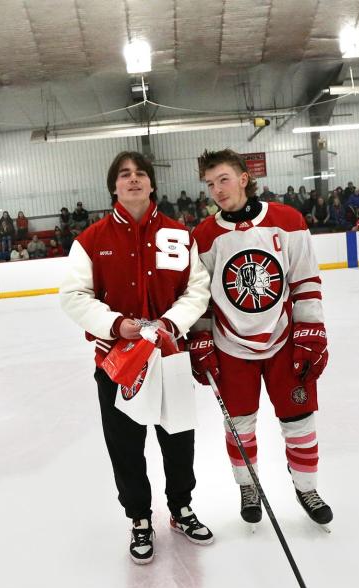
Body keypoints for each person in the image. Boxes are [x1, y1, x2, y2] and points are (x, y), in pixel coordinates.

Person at [60, 150, 213, 564]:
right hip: (117, 363)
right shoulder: (91, 239)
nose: (133, 180)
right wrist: (116, 325)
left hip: (169, 355)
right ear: (114, 185)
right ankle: (139, 518)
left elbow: (196, 290)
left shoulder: (179, 234)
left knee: (178, 439)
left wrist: (171, 323)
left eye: (140, 174)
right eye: (124, 175)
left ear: (151, 184)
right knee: (125, 447)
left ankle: (181, 508)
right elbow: (73, 296)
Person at [190, 148, 333, 530]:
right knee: (239, 424)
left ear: (244, 178)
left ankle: (306, 487)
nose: (217, 189)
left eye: (223, 179)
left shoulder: (287, 220)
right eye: (209, 184)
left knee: (299, 418)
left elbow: (304, 279)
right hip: (231, 346)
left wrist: (311, 331)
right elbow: (199, 297)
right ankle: (248, 486)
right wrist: (201, 339)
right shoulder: (203, 236)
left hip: (284, 341)